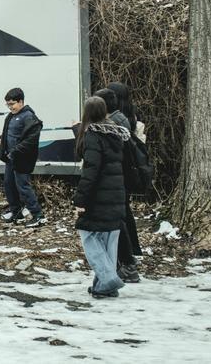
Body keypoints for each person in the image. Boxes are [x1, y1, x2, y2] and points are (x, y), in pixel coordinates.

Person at [73, 96, 129, 299]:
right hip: (116, 195)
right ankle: (104, 286)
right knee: (109, 241)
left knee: (89, 237)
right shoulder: (116, 134)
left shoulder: (92, 136)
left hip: (98, 197)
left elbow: (91, 171)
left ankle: (108, 279)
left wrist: (80, 200)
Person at [0, 87, 46, 226]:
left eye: (12, 104)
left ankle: (38, 215)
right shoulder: (11, 116)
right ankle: (16, 213)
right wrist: (0, 141)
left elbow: (30, 138)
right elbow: (9, 133)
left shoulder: (29, 116)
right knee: (9, 184)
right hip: (10, 158)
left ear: (21, 101)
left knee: (23, 186)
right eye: (8, 104)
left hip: (22, 159)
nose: (10, 107)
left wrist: (16, 150)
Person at [108, 81, 144, 283]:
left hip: (119, 173)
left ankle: (127, 257)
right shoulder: (130, 116)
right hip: (127, 172)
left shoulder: (118, 121)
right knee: (125, 212)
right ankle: (133, 250)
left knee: (121, 215)